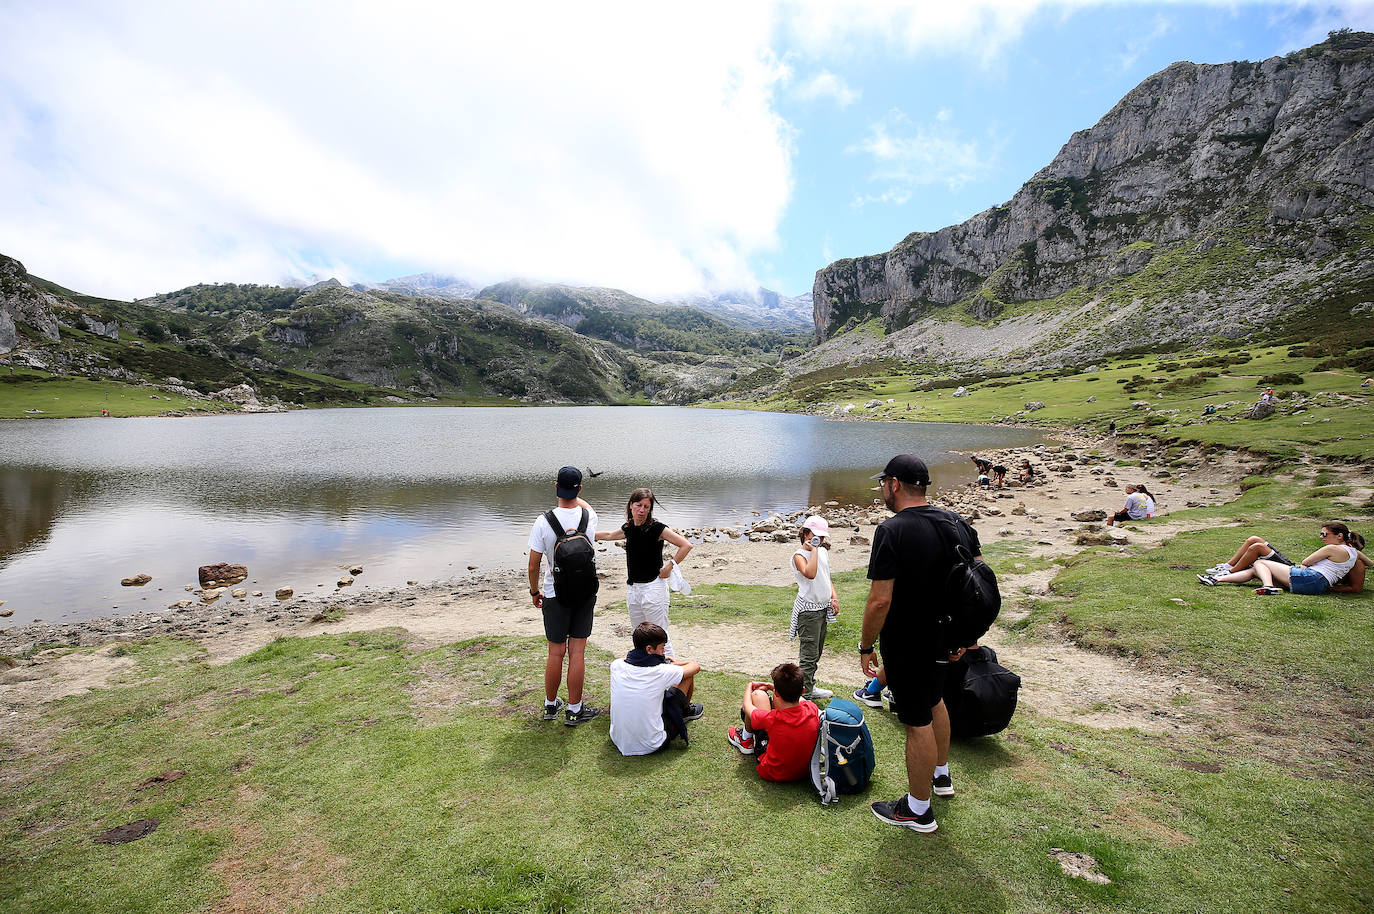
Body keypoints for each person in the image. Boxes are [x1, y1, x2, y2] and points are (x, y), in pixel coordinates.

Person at [861, 454, 984, 833]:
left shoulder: (892, 530)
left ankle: (917, 810)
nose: (883, 489)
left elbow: (880, 600)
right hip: (947, 638)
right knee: (935, 701)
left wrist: (866, 646)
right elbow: (977, 582)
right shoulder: (957, 523)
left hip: (909, 642)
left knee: (917, 722)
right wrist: (968, 635)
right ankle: (941, 776)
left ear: (894, 484)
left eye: (884, 483)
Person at [527, 466, 603, 726]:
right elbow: (585, 504)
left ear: (556, 486)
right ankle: (574, 709)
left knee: (555, 652)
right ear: (579, 489)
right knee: (577, 652)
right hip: (584, 592)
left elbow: (533, 564)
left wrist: (535, 591)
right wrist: (575, 495)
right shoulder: (588, 517)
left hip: (553, 593)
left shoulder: (543, 521)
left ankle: (550, 706)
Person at [594, 488, 692, 658]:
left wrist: (670, 566)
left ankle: (671, 675)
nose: (642, 510)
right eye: (639, 505)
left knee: (659, 634)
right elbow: (609, 535)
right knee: (639, 635)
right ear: (631, 505)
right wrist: (583, 534)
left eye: (646, 507)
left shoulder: (657, 528)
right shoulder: (629, 527)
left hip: (654, 587)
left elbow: (686, 545)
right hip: (633, 589)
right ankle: (644, 671)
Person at [609, 622, 703, 755]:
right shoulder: (661, 671)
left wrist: (663, 660)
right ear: (649, 649)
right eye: (662, 647)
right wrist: (671, 663)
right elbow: (694, 666)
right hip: (652, 743)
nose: (663, 651)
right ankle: (686, 711)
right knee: (687, 676)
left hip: (618, 738)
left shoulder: (616, 665)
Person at [1205, 524, 1369, 595]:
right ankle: (1217, 579)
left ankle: (1268, 586)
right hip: (1319, 585)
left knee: (1260, 562)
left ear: (1340, 536)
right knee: (1257, 570)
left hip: (1312, 577)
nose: (1321, 537)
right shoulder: (1355, 554)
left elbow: (1306, 561)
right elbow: (1370, 564)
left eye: (1324, 534)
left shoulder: (1332, 549)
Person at [726, 661, 820, 782]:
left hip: (772, 772)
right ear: (802, 691)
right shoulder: (812, 708)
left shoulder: (772, 718)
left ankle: (745, 739)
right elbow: (802, 700)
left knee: (757, 695)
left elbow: (747, 705)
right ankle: (746, 739)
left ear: (776, 693)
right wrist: (773, 687)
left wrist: (749, 686)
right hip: (805, 771)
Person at [791, 515, 838, 701]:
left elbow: (826, 577)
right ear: (805, 533)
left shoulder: (823, 552)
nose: (819, 539)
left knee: (816, 652)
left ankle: (809, 686)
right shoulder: (799, 556)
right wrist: (814, 551)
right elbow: (810, 574)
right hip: (808, 611)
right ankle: (805, 697)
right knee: (808, 656)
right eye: (816, 535)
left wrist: (834, 597)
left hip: (822, 608)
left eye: (822, 537)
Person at [1197, 535, 1295, 584]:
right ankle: (1229, 565)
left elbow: (1305, 563)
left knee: (1257, 547)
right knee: (1253, 539)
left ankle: (1231, 572)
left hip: (1292, 570)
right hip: (1295, 567)